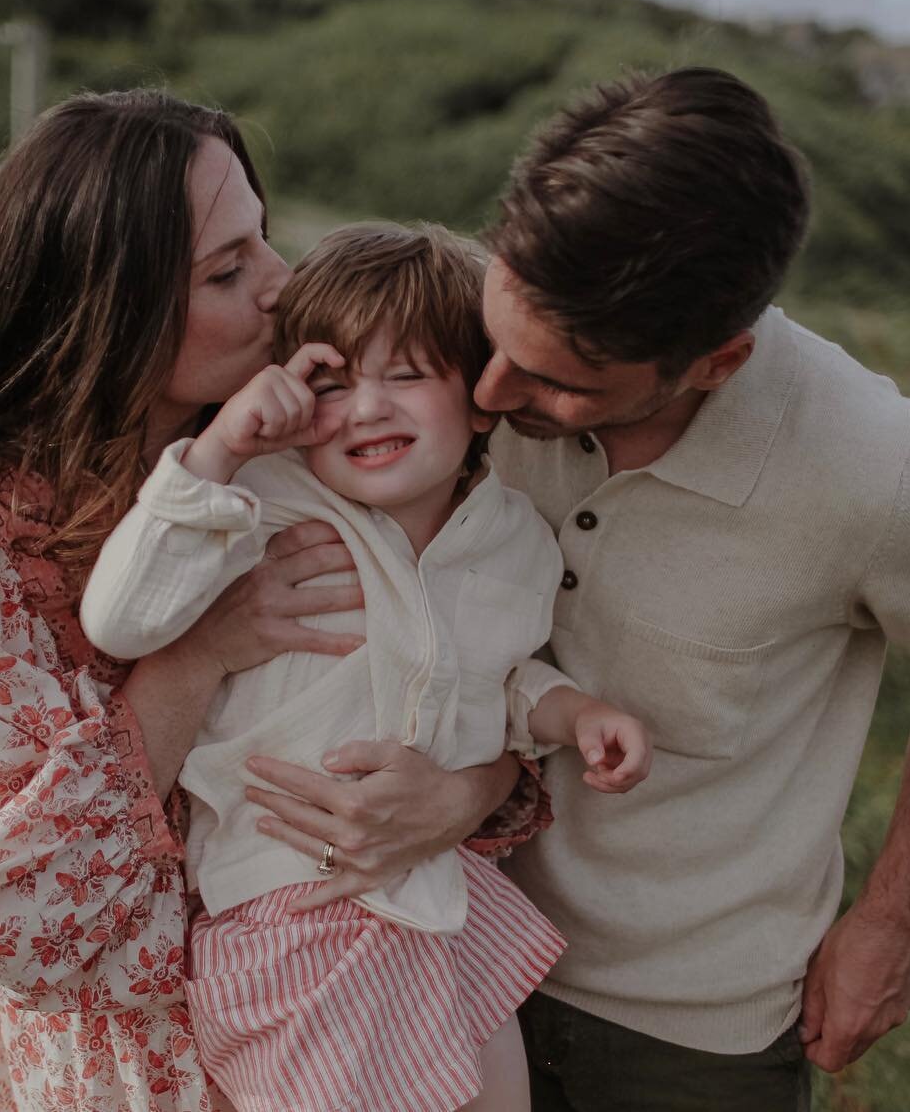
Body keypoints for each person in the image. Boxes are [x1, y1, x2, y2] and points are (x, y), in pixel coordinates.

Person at [0, 91, 542, 1112]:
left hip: (376, 1033)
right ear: (107, 303)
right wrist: (197, 657)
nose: (280, 286)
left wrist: (468, 791)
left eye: (264, 240)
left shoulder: (311, 463)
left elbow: (449, 663)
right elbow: (20, 909)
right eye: (228, 269)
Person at [472, 66, 910, 1112]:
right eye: (497, 336)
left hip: (689, 1040)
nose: (487, 393)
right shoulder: (468, 347)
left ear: (715, 362)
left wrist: (892, 916)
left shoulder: (879, 473)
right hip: (444, 962)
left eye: (556, 381)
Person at [80, 222, 652, 1112]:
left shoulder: (513, 541)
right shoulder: (260, 508)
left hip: (441, 899)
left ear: (481, 396)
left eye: (408, 374)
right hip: (293, 918)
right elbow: (120, 619)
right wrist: (222, 448)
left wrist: (572, 714)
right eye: (332, 381)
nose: (365, 408)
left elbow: (498, 682)